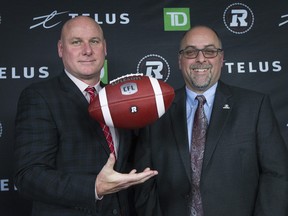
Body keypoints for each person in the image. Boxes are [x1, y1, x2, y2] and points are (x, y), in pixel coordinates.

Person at [133, 25, 288, 216]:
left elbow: (276, 175)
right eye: (190, 52)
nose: (200, 58)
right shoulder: (156, 112)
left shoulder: (254, 107)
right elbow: (143, 183)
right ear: (179, 60)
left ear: (221, 59)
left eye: (210, 51)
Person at [13, 16, 157, 216]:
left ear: (104, 48)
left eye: (94, 41)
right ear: (61, 49)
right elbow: (28, 177)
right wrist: (94, 187)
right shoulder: (40, 97)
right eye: (76, 42)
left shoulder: (120, 98)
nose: (87, 50)